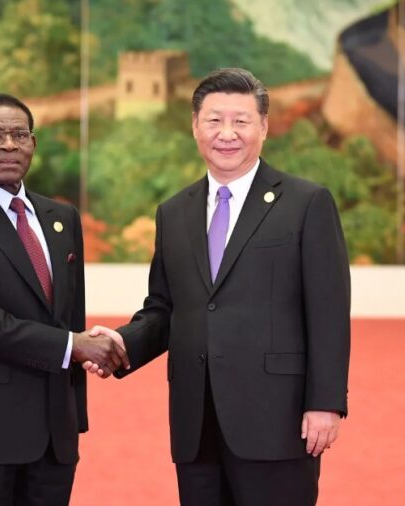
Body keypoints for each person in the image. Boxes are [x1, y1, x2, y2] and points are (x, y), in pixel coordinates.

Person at [86, 68, 351, 505]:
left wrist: (326, 402)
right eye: (213, 120)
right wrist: (121, 343)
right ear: (194, 126)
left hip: (276, 419)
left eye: (241, 121)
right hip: (197, 421)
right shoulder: (173, 213)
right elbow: (166, 309)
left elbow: (328, 312)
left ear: (263, 127)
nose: (227, 133)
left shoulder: (306, 203)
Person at [0, 93, 129, 506]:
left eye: (20, 135)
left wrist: (74, 418)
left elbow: (70, 315)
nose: (9, 145)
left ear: (33, 143)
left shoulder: (62, 219)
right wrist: (75, 345)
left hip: (54, 437)